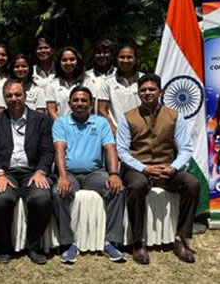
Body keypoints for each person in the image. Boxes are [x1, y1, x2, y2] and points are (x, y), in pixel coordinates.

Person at [116, 73, 199, 264]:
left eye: (152, 89)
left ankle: (181, 239)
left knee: (192, 184)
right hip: (137, 169)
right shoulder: (127, 118)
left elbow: (186, 148)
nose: (147, 93)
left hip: (166, 169)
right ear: (138, 93)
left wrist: (173, 168)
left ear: (160, 91)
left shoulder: (174, 116)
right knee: (136, 186)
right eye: (143, 90)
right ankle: (138, 243)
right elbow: (122, 151)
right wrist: (143, 168)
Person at [51, 87, 126, 264]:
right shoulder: (61, 122)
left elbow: (110, 149)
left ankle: (111, 242)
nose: (79, 104)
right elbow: (59, 149)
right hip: (70, 173)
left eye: (84, 100)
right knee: (57, 192)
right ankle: (68, 244)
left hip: (95, 173)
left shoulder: (101, 123)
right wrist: (62, 176)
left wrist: (114, 173)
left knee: (119, 189)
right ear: (69, 104)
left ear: (91, 103)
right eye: (75, 100)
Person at [0, 80, 54, 265]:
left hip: (32, 172)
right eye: (9, 95)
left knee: (41, 199)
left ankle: (33, 245)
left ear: (25, 95)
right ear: (4, 98)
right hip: (6, 173)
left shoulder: (41, 120)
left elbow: (47, 151)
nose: (14, 99)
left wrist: (41, 171)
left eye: (18, 94)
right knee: (0, 200)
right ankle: (4, 246)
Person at [97, 44, 144, 134]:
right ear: (116, 59)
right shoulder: (107, 82)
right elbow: (102, 110)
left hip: (141, 134)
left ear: (136, 60)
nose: (125, 60)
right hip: (116, 134)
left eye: (129, 57)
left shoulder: (144, 80)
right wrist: (115, 131)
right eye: (122, 57)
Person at [46, 47, 103, 119]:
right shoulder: (53, 85)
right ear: (59, 62)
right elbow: (52, 111)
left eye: (72, 59)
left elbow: (91, 107)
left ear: (78, 61)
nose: (68, 63)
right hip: (61, 127)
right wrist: (62, 126)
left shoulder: (88, 82)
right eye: (64, 60)